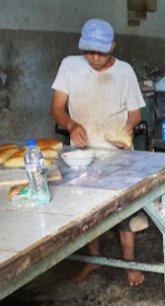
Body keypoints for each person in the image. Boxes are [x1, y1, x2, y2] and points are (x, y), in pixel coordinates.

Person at [50, 18, 147, 286]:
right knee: (87, 208)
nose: (94, 58)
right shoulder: (69, 66)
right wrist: (70, 124)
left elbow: (135, 114)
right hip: (81, 153)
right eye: (89, 51)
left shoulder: (125, 72)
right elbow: (57, 108)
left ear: (113, 46)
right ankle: (93, 261)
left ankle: (129, 265)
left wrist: (128, 128)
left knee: (123, 211)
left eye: (101, 52)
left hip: (117, 154)